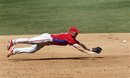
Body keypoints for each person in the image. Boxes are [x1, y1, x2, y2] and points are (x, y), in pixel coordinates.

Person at [7, 26, 102, 58]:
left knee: (32, 50)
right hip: (47, 38)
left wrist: (90, 49)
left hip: (47, 41)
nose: (77, 34)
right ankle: (13, 41)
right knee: (30, 41)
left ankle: (14, 51)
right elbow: (79, 48)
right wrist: (90, 53)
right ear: (72, 32)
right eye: (76, 33)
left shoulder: (72, 38)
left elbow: (80, 44)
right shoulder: (69, 37)